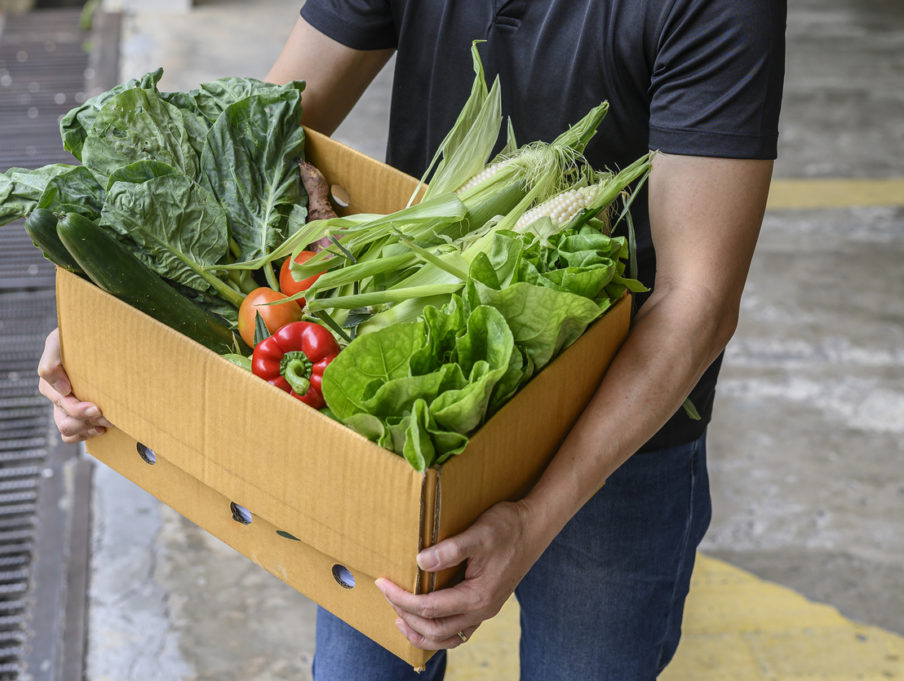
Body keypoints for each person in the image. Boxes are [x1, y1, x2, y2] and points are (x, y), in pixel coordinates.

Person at [39, 1, 786, 678]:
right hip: (409, 397)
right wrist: (121, 313)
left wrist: (533, 517)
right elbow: (257, 134)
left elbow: (698, 299)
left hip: (616, 435)